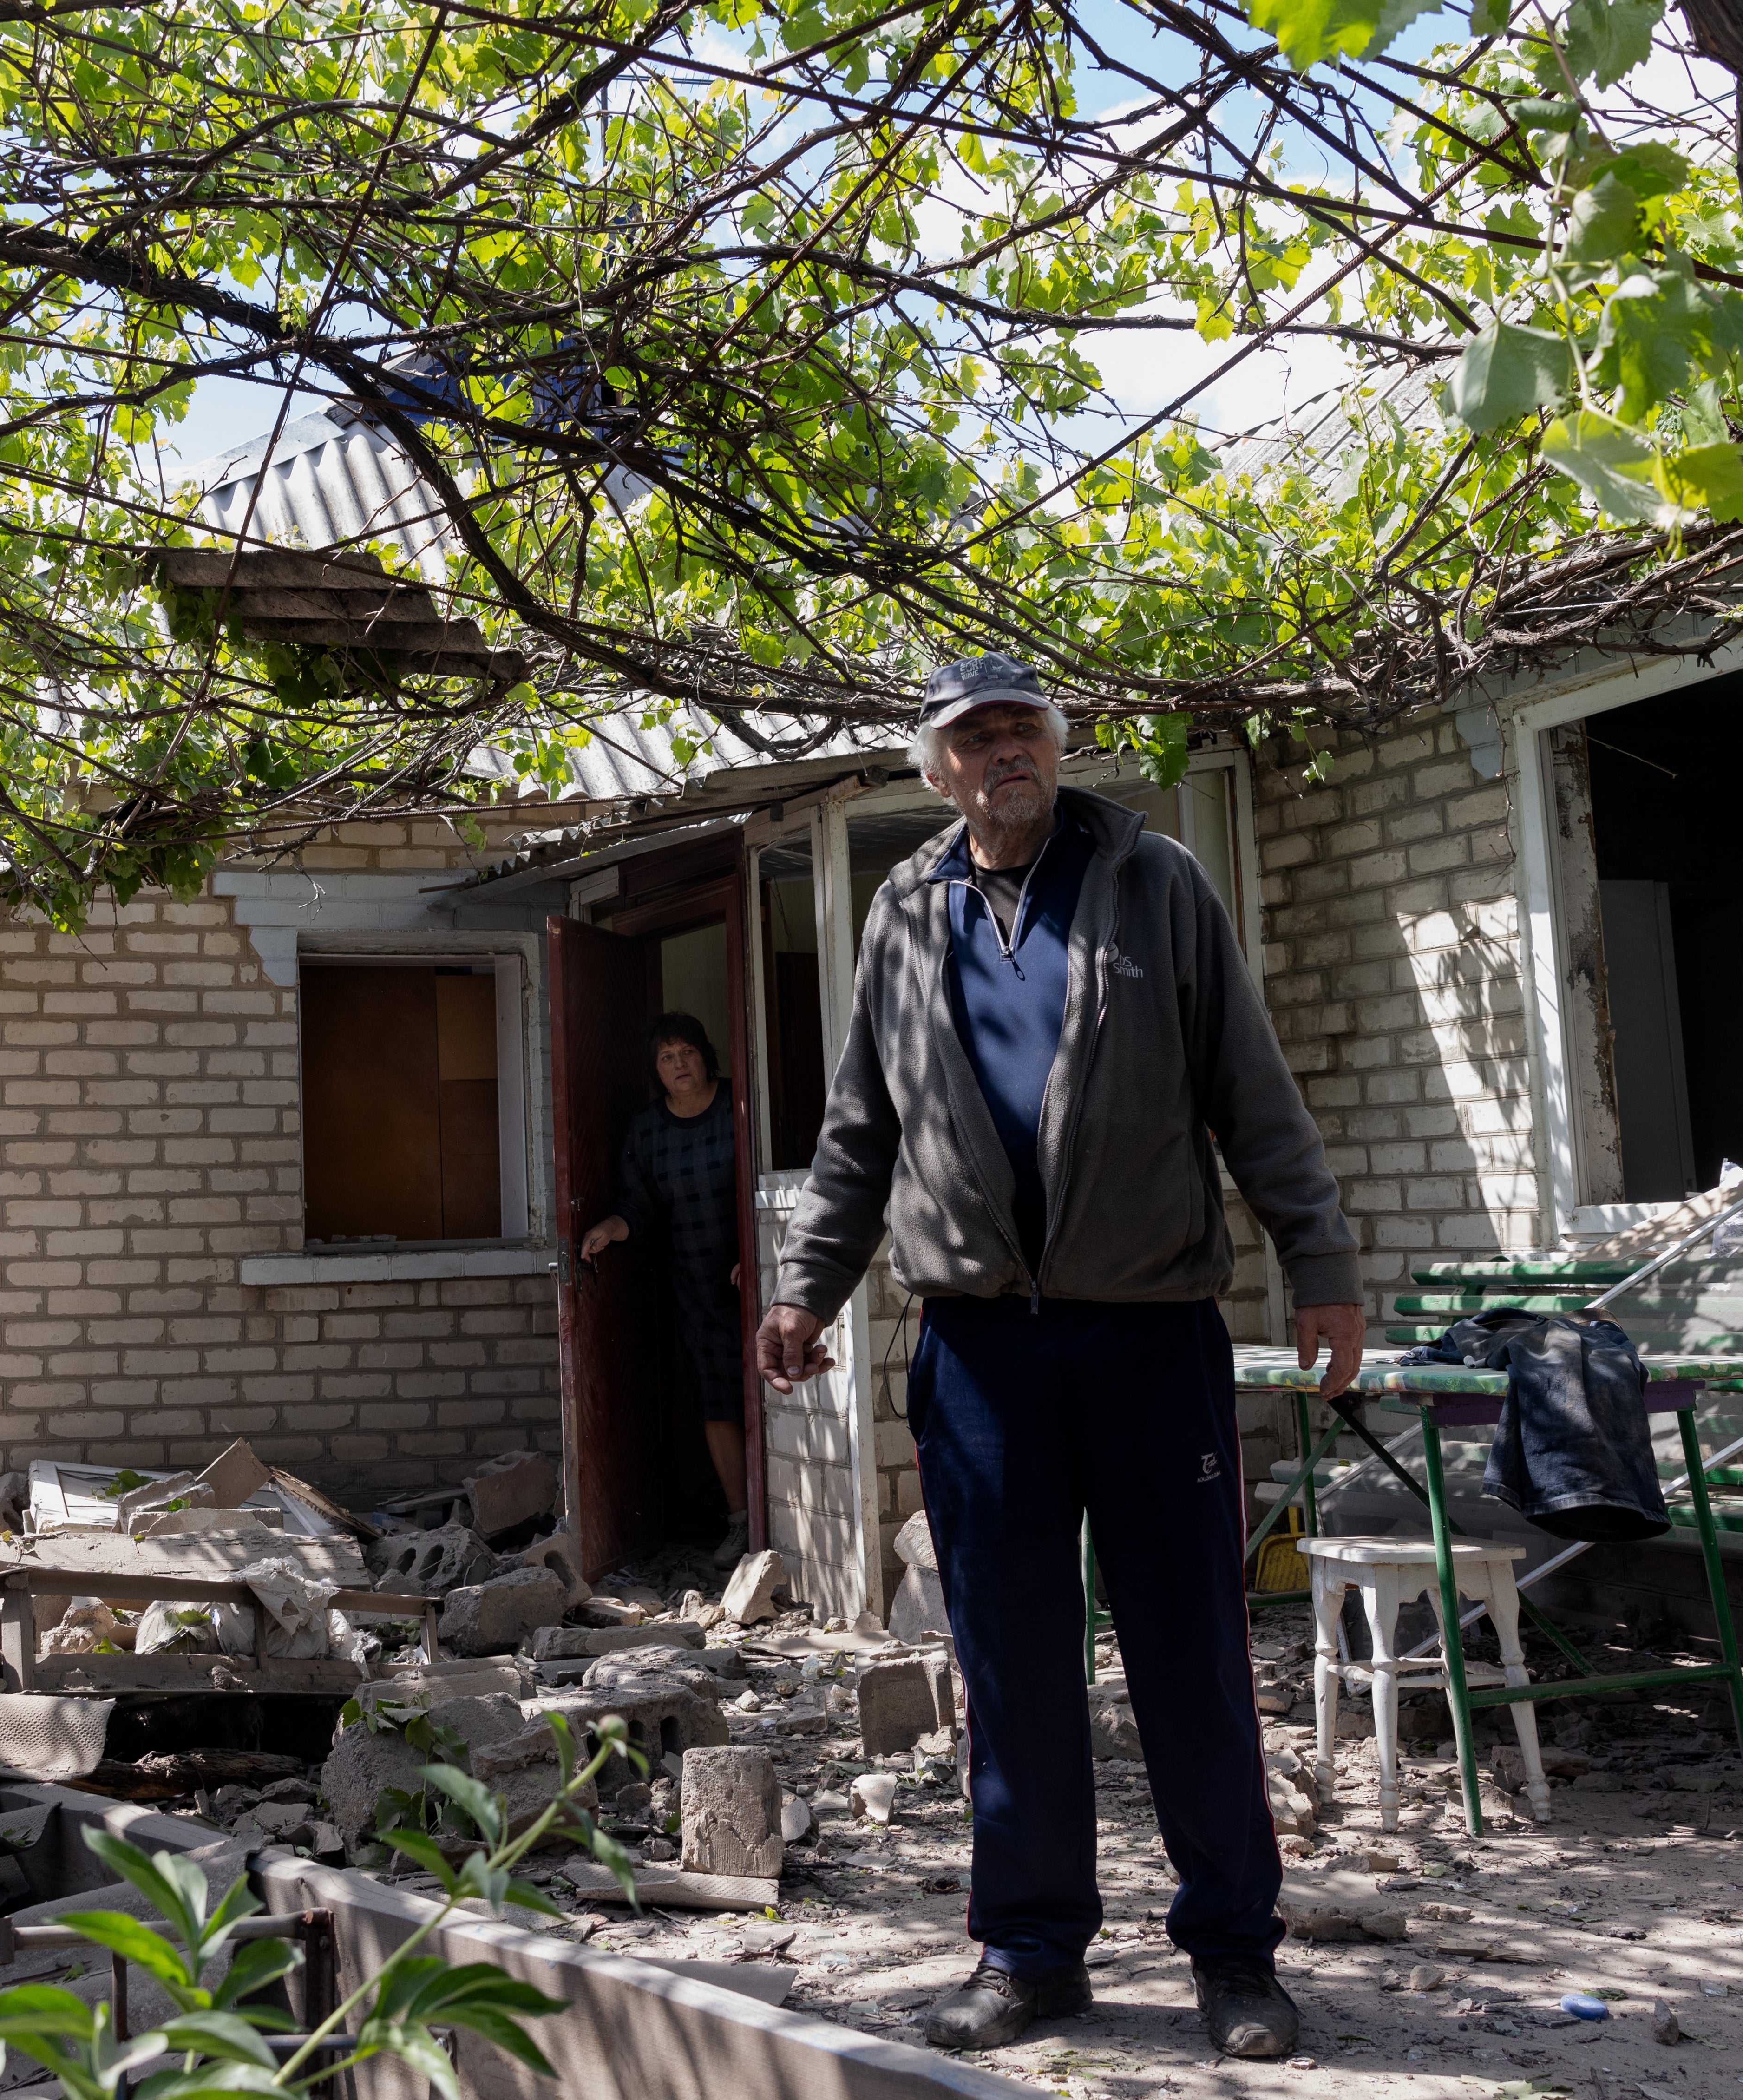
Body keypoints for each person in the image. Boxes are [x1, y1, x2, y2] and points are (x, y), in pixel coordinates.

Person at [756, 654, 1365, 2060]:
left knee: (1188, 1654)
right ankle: (1029, 1952)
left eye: (1021, 728)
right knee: (1007, 1662)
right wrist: (804, 1287)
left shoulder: (1156, 886)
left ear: (1054, 743)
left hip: (1150, 1333)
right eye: (973, 738)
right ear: (937, 769)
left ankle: (1232, 1954)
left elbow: (1250, 1092)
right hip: (977, 1350)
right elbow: (859, 1130)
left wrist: (1318, 1261)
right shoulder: (902, 913)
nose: (1003, 753)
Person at [576, 1011, 753, 1562]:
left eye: (688, 1052)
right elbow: (639, 1204)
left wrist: (758, 1251)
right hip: (697, 1284)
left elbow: (778, 1180)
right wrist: (609, 1226)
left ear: (706, 1055)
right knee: (718, 1400)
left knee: (768, 1393)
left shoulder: (741, 1106)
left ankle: (787, 1516)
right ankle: (742, 1522)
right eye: (666, 1056)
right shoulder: (647, 1131)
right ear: (656, 1070)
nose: (680, 1063)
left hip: (756, 1275)